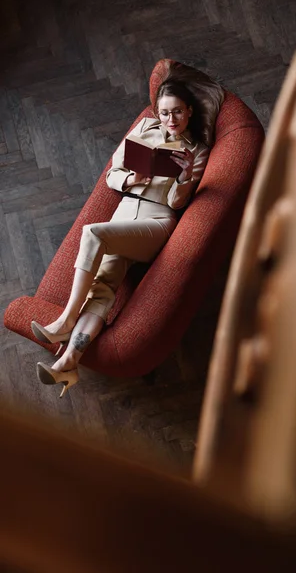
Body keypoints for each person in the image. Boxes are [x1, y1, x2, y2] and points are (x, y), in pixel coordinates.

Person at [31, 70, 224, 398]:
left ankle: (65, 319)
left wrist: (186, 177)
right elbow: (112, 176)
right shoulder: (145, 129)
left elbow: (178, 203)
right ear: (157, 113)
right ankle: (67, 363)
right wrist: (132, 179)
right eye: (164, 112)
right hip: (125, 213)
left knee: (93, 233)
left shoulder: (198, 149)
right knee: (102, 289)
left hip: (156, 222)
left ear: (189, 111)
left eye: (177, 111)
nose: (170, 118)